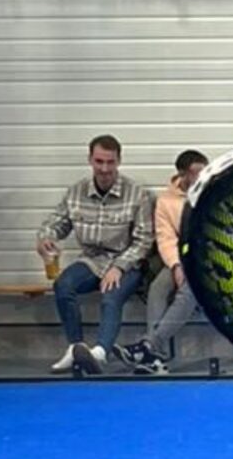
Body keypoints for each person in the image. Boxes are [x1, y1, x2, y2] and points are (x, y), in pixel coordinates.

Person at [36, 134, 153, 374]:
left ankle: (100, 353)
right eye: (99, 161)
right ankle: (76, 348)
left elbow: (144, 240)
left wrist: (119, 266)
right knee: (62, 285)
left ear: (119, 161)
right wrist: (46, 238)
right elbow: (56, 224)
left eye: (110, 162)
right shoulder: (75, 192)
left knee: (111, 296)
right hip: (91, 260)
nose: (105, 169)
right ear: (90, 160)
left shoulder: (137, 194)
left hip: (127, 262)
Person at [117, 150, 209, 375]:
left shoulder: (213, 193)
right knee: (158, 287)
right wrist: (176, 265)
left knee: (190, 287)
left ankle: (150, 347)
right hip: (181, 257)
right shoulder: (166, 201)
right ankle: (154, 354)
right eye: (197, 173)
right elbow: (165, 238)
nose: (203, 176)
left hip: (209, 260)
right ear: (183, 175)